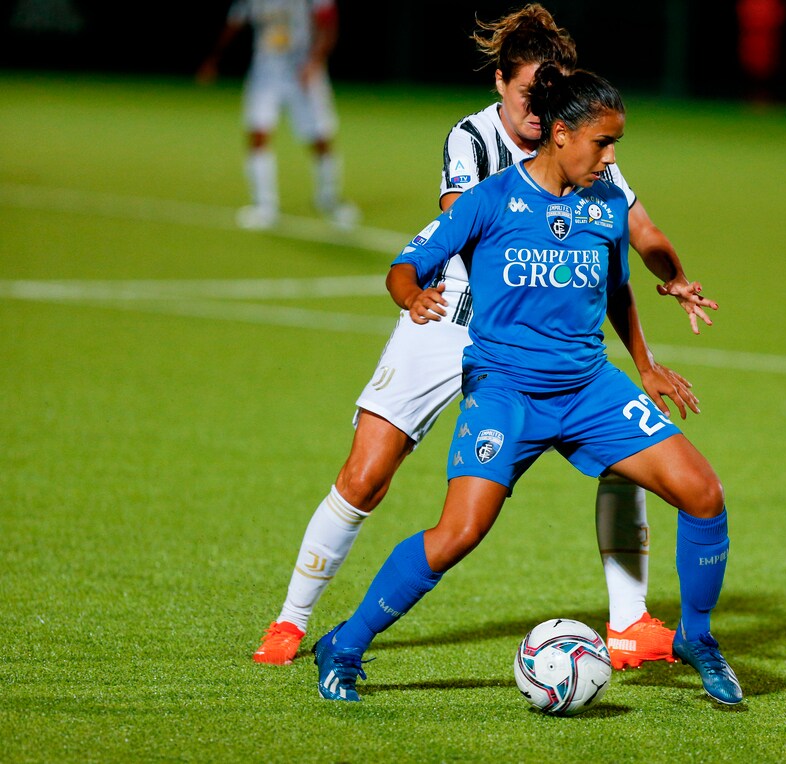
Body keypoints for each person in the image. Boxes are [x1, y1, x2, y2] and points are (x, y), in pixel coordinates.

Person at [252, 4, 717, 671]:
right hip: (449, 314)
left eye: (553, 90)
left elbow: (639, 235)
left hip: (538, 330)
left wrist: (672, 279)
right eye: (530, 90)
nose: (540, 105)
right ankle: (291, 621)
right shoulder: (473, 140)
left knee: (625, 453)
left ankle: (628, 623)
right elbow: (470, 232)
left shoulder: (586, 147)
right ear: (501, 82)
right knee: (367, 475)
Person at [197, 0, 358, 230]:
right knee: (257, 134)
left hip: (302, 71)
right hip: (266, 72)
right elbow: (234, 23)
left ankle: (328, 198)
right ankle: (265, 206)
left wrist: (314, 62)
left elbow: (328, 25)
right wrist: (214, 58)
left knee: (320, 137)